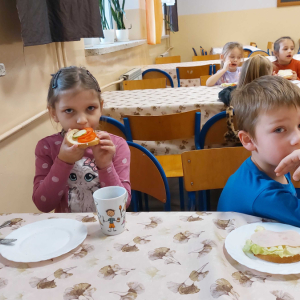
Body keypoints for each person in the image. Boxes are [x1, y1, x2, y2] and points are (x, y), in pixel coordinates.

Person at [33, 66, 131, 213]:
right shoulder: (47, 147)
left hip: (106, 226)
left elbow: (123, 205)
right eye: (69, 110)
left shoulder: (116, 146)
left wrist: (105, 165)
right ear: (54, 113)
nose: (82, 120)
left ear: (100, 107)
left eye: (90, 108)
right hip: (68, 229)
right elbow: (43, 205)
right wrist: (63, 162)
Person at [218, 76, 300, 227]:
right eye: (279, 129)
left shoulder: (271, 163)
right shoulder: (264, 195)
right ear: (249, 140)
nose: (297, 138)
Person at [219, 55, 273, 143]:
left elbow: (223, 93)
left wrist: (240, 85)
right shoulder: (272, 96)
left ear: (243, 74)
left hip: (235, 143)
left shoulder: (237, 96)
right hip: (266, 141)